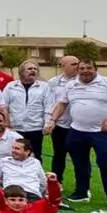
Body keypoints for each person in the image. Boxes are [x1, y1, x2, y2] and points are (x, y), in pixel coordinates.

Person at [46, 59, 107, 210]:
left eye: (89, 68)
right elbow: (62, 104)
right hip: (77, 132)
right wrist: (53, 120)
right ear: (78, 70)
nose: (85, 71)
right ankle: (81, 193)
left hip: (101, 133)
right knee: (80, 164)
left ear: (95, 69)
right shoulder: (71, 85)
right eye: (82, 68)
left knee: (105, 164)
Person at [42, 55, 79, 184]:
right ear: (63, 66)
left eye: (77, 63)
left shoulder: (83, 80)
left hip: (78, 126)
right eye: (73, 64)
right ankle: (56, 183)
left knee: (79, 157)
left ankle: (82, 188)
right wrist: (49, 121)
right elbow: (49, 102)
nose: (77, 66)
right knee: (59, 155)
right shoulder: (53, 82)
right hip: (60, 125)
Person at [3, 60, 48, 158]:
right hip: (16, 128)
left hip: (35, 128)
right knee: (15, 155)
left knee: (35, 156)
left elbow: (48, 106)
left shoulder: (44, 87)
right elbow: (4, 106)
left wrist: (47, 124)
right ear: (21, 71)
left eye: (35, 69)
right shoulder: (10, 86)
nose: (33, 71)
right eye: (30, 69)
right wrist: (7, 124)